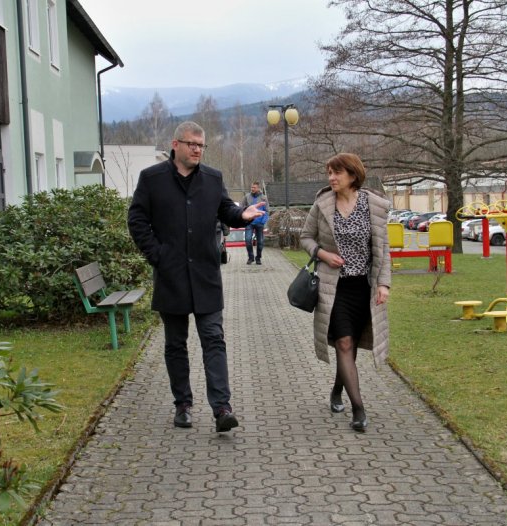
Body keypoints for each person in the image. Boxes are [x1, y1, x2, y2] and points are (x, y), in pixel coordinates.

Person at [128, 121, 265, 433]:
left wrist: (241, 216)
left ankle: (222, 408)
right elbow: (136, 219)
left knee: (214, 340)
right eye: (191, 144)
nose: (197, 150)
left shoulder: (213, 179)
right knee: (175, 344)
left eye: (201, 146)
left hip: (205, 275)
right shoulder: (152, 179)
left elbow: (226, 210)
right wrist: (157, 255)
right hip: (171, 276)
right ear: (175, 144)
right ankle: (183, 405)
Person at [299, 153, 390, 432]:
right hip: (333, 288)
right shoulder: (322, 203)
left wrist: (384, 283)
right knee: (344, 343)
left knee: (350, 347)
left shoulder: (372, 205)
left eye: (336, 173)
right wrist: (323, 254)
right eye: (329, 172)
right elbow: (305, 237)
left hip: (362, 286)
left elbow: (383, 250)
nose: (331, 178)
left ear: (352, 175)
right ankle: (359, 409)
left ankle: (337, 389)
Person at [243, 181, 269, 264]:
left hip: (259, 223)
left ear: (258, 188)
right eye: (251, 187)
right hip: (249, 223)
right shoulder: (246, 197)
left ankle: (258, 258)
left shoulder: (264, 198)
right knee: (247, 240)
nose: (252, 189)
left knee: (260, 242)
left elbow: (267, 211)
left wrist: (263, 221)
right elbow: (241, 208)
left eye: (254, 187)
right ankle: (251, 257)